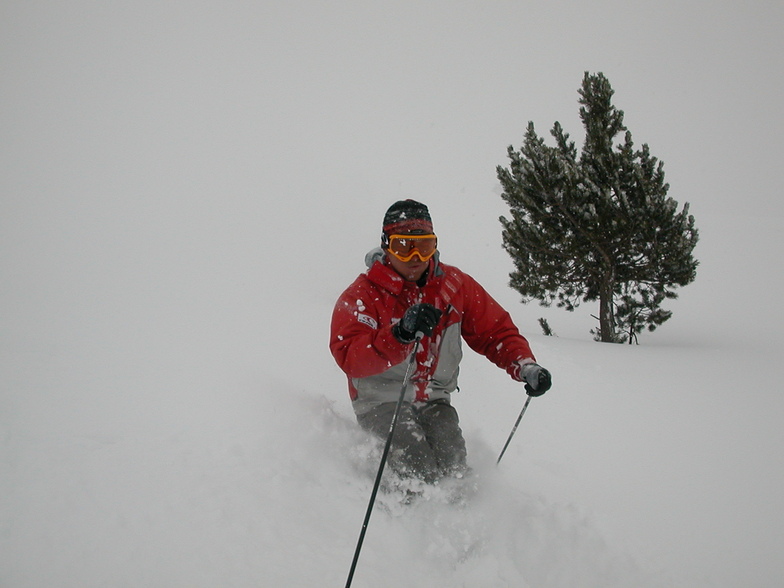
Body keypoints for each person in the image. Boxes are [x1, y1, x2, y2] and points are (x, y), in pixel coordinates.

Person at [330, 200, 551, 484]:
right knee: (417, 467)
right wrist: (399, 335)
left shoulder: (455, 286)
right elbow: (349, 355)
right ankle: (403, 519)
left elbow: (495, 331)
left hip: (435, 399)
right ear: (386, 246)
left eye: (424, 247)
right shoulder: (363, 295)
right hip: (381, 401)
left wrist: (524, 365)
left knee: (454, 467)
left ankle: (458, 520)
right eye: (403, 246)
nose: (414, 258)